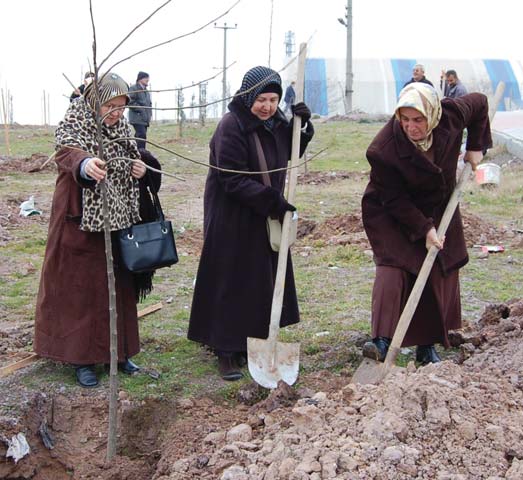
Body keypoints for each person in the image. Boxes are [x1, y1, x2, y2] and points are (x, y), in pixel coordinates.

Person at [34, 72, 162, 388]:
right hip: (78, 221)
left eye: (121, 106)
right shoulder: (74, 122)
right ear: (95, 103)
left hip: (118, 219)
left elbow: (136, 157)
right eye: (110, 106)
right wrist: (85, 164)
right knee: (80, 290)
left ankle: (120, 353)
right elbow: (68, 154)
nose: (116, 113)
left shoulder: (124, 129)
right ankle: (81, 358)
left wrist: (140, 167)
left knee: (118, 287)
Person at [188, 66, 314, 381]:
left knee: (259, 279)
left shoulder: (277, 123)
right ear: (248, 96)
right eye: (261, 99)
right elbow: (231, 179)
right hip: (232, 215)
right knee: (231, 279)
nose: (267, 106)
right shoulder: (231, 126)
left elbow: (293, 151)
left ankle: (250, 342)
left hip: (264, 212)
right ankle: (225, 350)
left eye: (273, 99)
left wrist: (304, 124)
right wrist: (275, 202)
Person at [361, 82, 491, 365]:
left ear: (431, 115)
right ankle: (381, 341)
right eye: (404, 119)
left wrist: (476, 146)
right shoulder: (383, 149)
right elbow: (393, 199)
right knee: (393, 265)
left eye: (418, 119)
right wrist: (424, 229)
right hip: (389, 210)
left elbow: (480, 103)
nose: (411, 127)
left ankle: (426, 344)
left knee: (438, 267)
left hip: (438, 203)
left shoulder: (451, 115)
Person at [128, 71, 152, 149]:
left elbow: (149, 104)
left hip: (145, 119)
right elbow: (130, 102)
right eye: (146, 78)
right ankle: (141, 154)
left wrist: (149, 114)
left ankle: (134, 152)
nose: (148, 79)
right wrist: (141, 110)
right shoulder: (134, 88)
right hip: (137, 118)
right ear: (140, 79)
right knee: (141, 135)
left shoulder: (146, 91)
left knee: (140, 136)